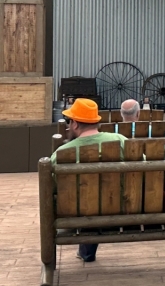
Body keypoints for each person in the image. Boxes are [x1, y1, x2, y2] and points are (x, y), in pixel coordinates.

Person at [53, 99, 127, 263]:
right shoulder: (120, 140)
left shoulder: (62, 153)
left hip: (78, 213)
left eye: (69, 121)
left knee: (89, 200)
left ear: (75, 124)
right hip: (121, 208)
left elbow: (52, 188)